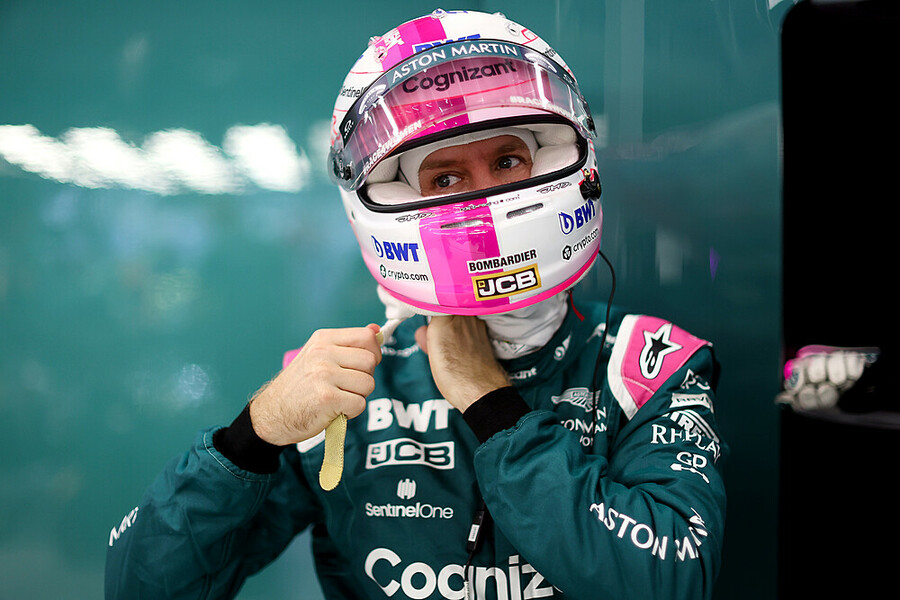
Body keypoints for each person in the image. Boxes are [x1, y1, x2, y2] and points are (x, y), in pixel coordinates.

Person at [105, 9, 726, 600]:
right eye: (446, 178)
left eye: (508, 160)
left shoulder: (651, 364)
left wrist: (489, 402)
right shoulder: (347, 389)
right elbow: (142, 587)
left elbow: (669, 581)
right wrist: (250, 437)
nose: (485, 201)